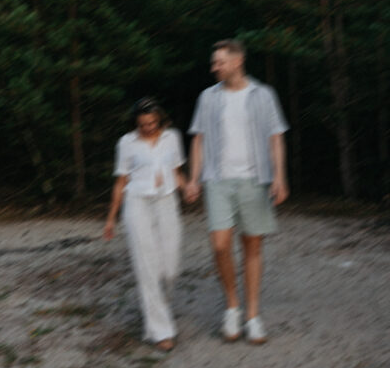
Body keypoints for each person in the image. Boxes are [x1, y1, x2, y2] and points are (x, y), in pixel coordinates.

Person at [185, 40, 289, 344]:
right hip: (218, 180)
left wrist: (279, 177)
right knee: (219, 246)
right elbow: (198, 140)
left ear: (237, 61)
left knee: (252, 248)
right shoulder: (208, 97)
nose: (214, 67)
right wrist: (194, 178)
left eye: (219, 62)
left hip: (255, 180)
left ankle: (253, 315)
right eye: (213, 62)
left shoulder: (263, 95)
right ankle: (232, 305)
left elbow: (276, 138)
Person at [103, 97, 187, 352]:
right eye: (142, 124)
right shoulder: (126, 143)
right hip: (137, 203)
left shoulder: (172, 138)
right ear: (135, 123)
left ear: (160, 119)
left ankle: (159, 307)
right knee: (146, 266)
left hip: (166, 202)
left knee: (170, 267)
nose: (148, 128)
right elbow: (120, 183)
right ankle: (161, 330)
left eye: (152, 123)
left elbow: (177, 172)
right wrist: (110, 219)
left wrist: (190, 188)